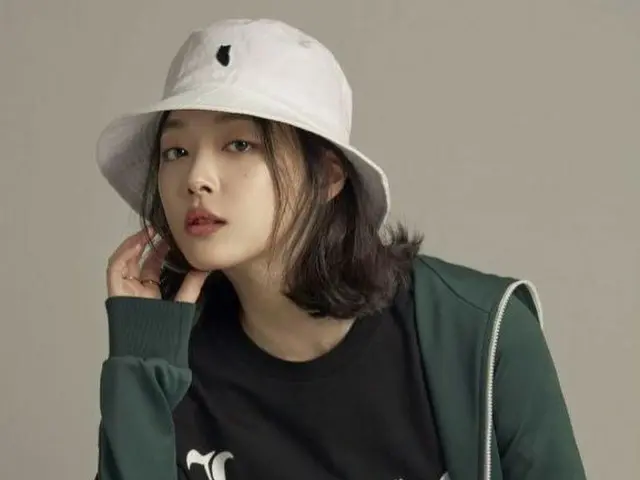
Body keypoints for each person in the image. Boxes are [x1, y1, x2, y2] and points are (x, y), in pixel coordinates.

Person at [94, 18, 586, 480]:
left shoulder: (479, 330)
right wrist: (139, 371)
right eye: (176, 151)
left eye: (240, 144)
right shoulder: (169, 354)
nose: (196, 179)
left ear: (328, 176)